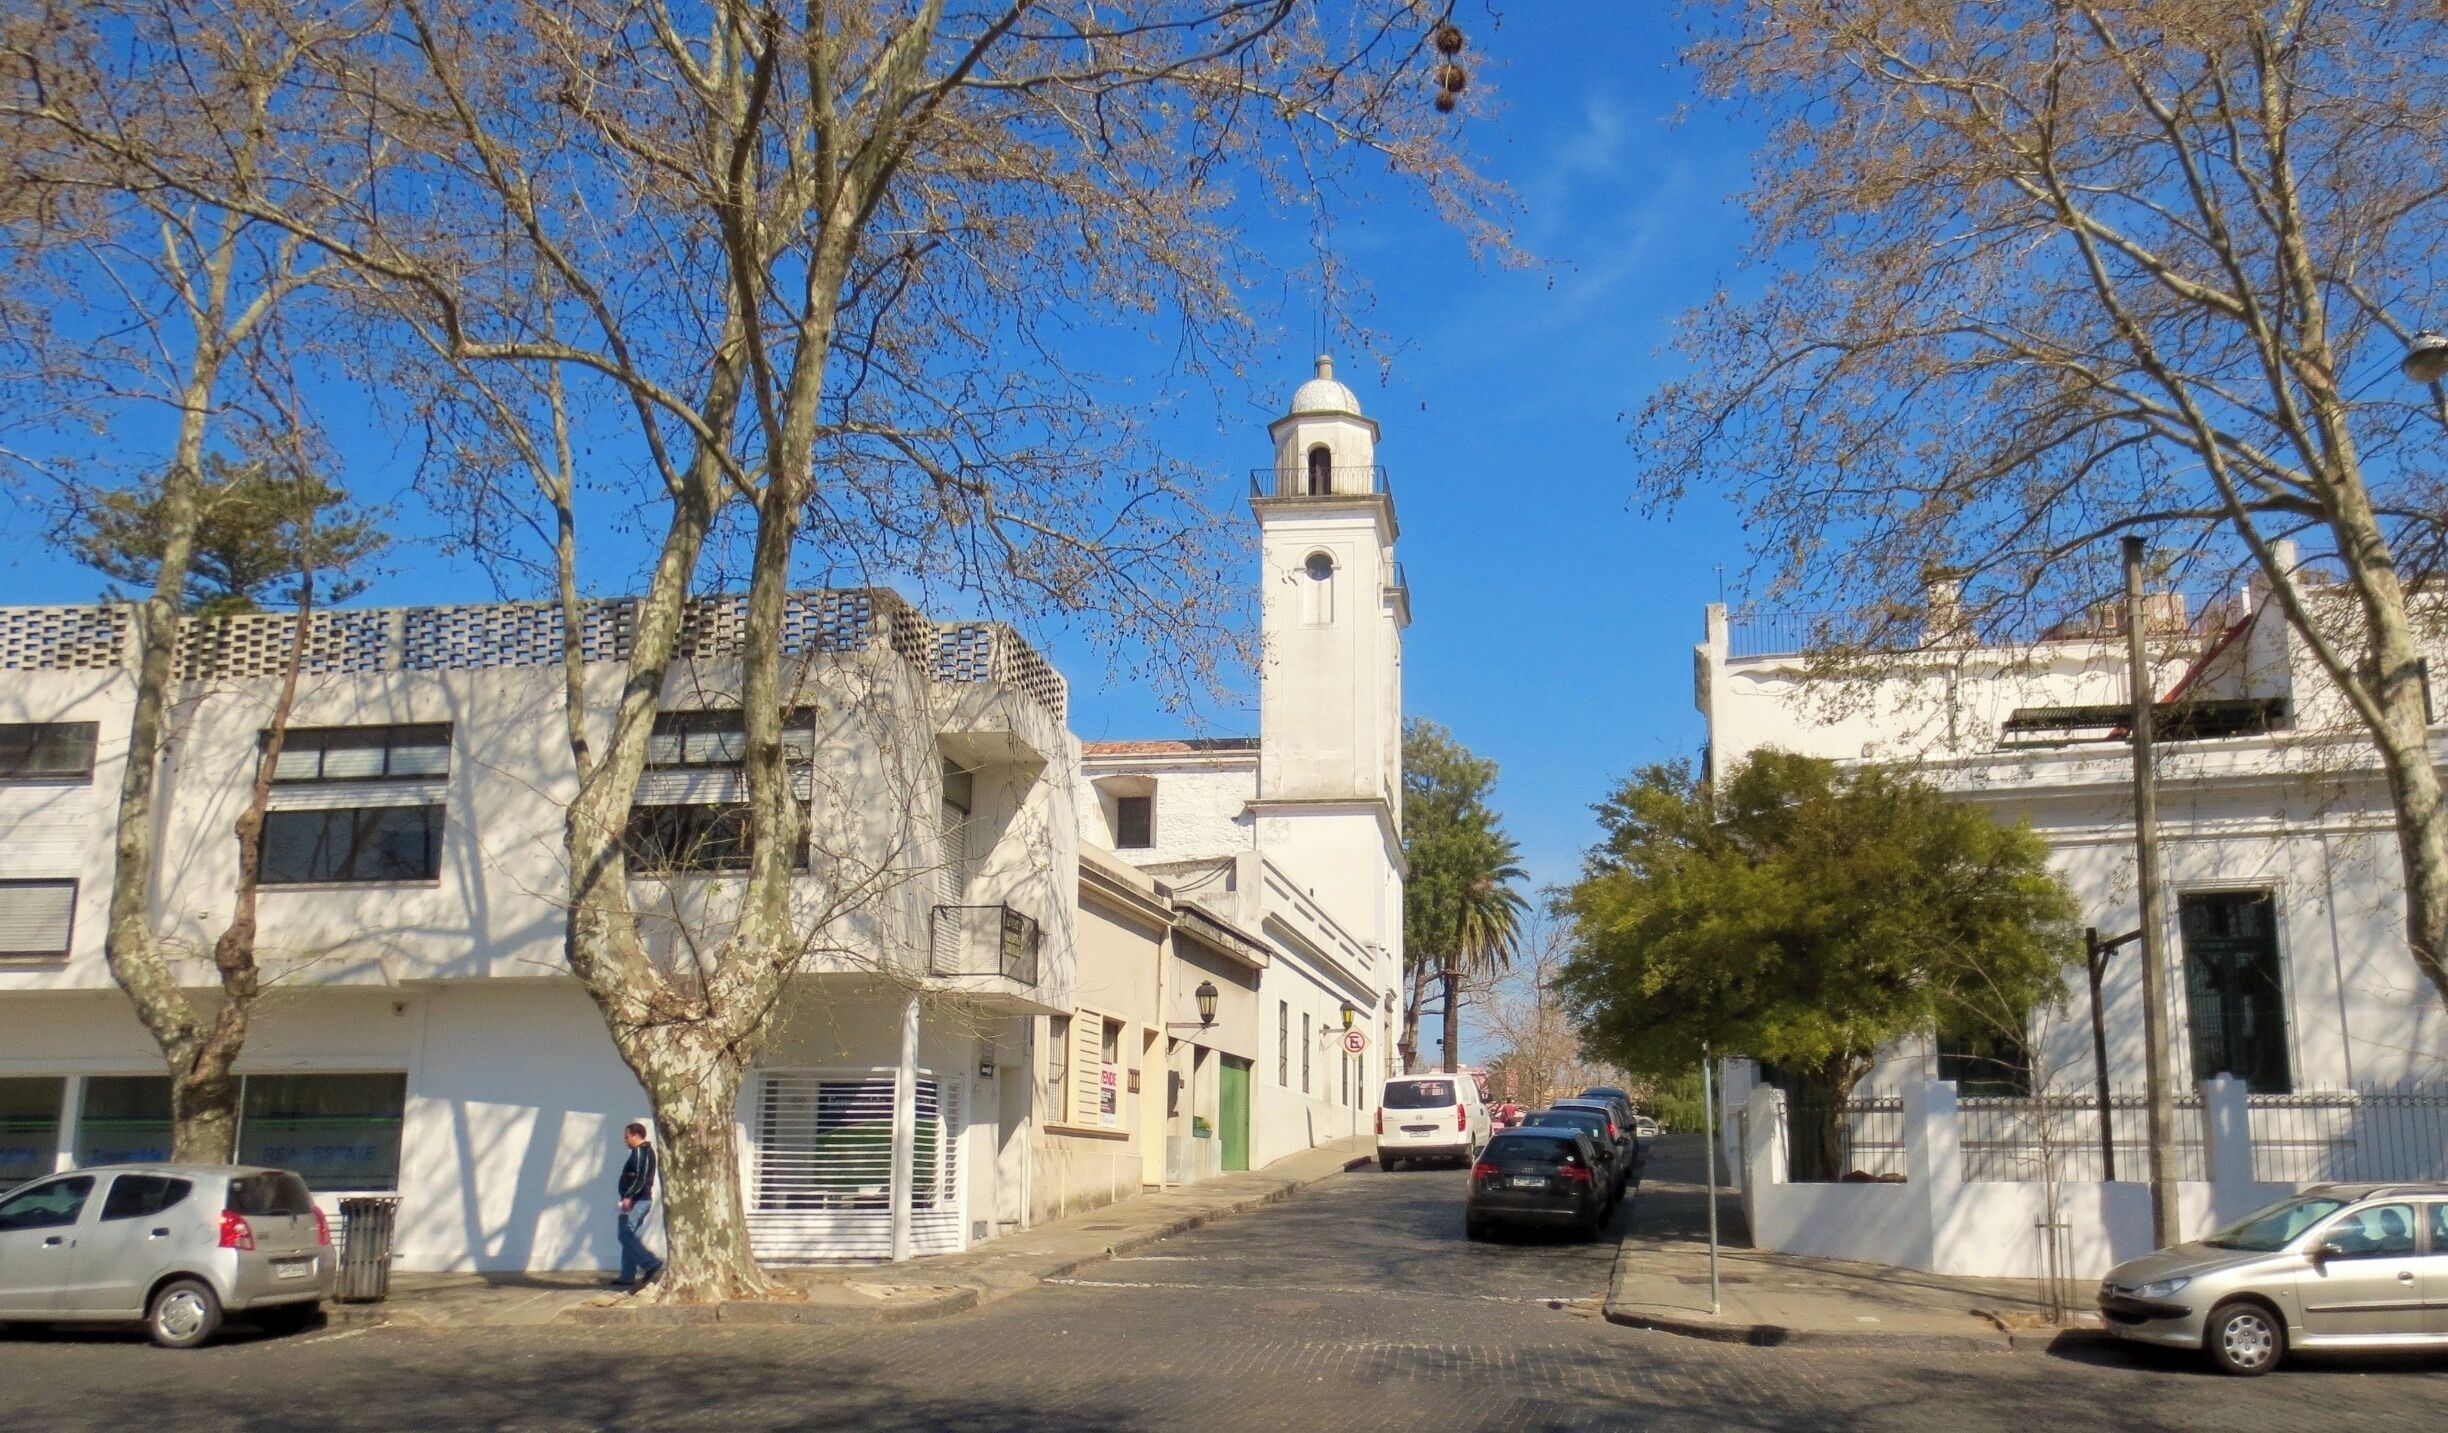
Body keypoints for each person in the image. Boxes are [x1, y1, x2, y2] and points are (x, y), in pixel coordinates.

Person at [614, 1121, 664, 1288]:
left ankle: (650, 1263)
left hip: (638, 1201)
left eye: (627, 1136)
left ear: (636, 1136)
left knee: (625, 1234)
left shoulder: (642, 1152)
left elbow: (641, 1178)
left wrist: (629, 1197)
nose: (625, 1140)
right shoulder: (638, 1153)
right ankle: (627, 1276)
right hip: (632, 1200)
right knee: (627, 1236)